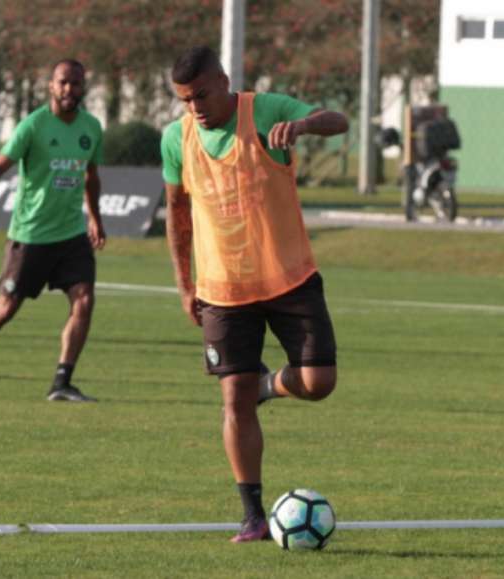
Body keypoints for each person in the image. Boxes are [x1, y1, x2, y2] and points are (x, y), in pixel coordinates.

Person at [160, 46, 348, 542]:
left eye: (201, 94)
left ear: (224, 81)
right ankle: (252, 516)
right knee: (233, 399)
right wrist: (185, 285)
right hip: (222, 290)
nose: (195, 106)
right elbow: (177, 216)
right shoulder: (175, 140)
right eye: (185, 99)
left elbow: (338, 120)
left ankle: (270, 386)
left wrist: (305, 127)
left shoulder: (264, 110)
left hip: (290, 277)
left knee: (320, 380)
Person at [0, 58, 106, 402]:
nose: (68, 89)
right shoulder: (33, 126)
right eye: (62, 82)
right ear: (50, 84)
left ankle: (62, 381)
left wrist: (95, 218)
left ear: (83, 87)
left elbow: (91, 176)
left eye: (75, 83)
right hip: (32, 235)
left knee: (84, 299)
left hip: (72, 234)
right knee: (6, 308)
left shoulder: (91, 128)